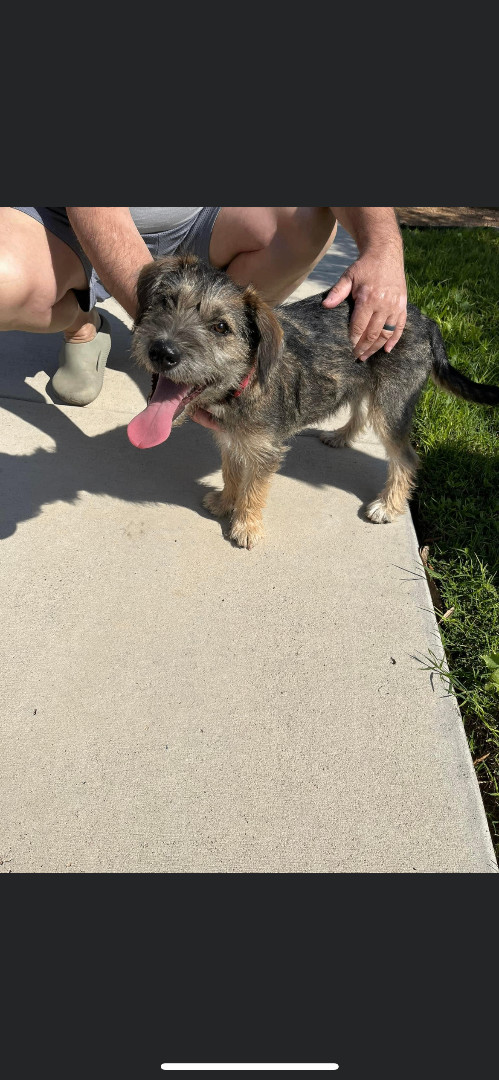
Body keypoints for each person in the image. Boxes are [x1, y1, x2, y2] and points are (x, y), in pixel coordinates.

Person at [0, 207, 407, 425]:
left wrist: (384, 249)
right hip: (65, 220)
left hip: (203, 216)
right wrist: (153, 324)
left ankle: (224, 356)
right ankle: (82, 324)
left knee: (308, 217)